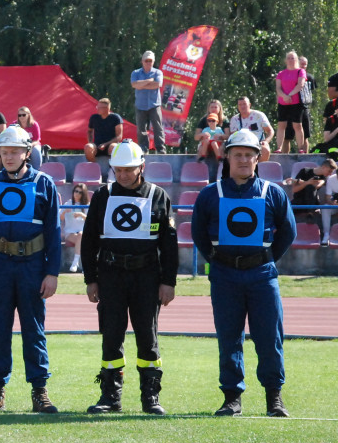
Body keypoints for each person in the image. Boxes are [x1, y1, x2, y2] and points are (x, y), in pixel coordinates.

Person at [191, 130, 296, 417]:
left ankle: (274, 397)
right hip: (224, 275)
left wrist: (267, 259)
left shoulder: (272, 192)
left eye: (249, 155)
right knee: (229, 337)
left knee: (269, 337)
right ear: (227, 157)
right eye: (237, 154)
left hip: (262, 275)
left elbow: (288, 232)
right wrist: (215, 258)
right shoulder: (210, 194)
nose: (243, 160)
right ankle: (231, 398)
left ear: (258, 158)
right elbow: (198, 232)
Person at [80, 141, 178, 414]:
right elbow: (88, 242)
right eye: (118, 170)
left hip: (147, 275)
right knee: (111, 334)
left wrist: (168, 282)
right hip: (110, 275)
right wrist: (91, 279)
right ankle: (110, 396)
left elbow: (169, 245)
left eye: (129, 169)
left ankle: (151, 397)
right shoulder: (102, 196)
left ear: (141, 167)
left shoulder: (159, 196)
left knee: (148, 336)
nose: (123, 175)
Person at [0, 126, 61, 414]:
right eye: (4, 152)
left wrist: (52, 272)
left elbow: (54, 232)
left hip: (33, 267)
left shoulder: (45, 184)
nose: (8, 157)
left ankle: (40, 391)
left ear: (27, 153)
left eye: (14, 152)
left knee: (34, 330)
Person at [290, 158, 336, 242]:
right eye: (329, 171)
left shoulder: (323, 178)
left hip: (312, 201)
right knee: (286, 209)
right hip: (300, 201)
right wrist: (307, 182)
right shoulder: (304, 171)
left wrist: (311, 184)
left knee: (310, 187)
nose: (329, 174)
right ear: (324, 167)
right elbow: (294, 190)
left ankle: (310, 213)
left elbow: (316, 186)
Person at [131, 51, 165, 154]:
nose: (148, 62)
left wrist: (141, 85)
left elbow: (157, 84)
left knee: (158, 128)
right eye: (146, 60)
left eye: (150, 60)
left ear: (153, 61)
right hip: (140, 105)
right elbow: (134, 85)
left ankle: (161, 150)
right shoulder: (136, 73)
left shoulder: (158, 72)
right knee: (141, 129)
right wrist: (149, 81)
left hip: (154, 105)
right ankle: (143, 149)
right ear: (142, 61)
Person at [275, 51, 307, 154]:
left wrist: (290, 95)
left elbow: (300, 84)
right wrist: (284, 96)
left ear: (296, 60)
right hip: (283, 102)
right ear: (285, 60)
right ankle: (278, 148)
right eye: (288, 58)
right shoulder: (281, 73)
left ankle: (300, 148)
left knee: (297, 125)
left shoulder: (300, 71)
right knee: (281, 125)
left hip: (296, 102)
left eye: (292, 58)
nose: (290, 60)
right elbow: (278, 88)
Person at [228, 96, 274, 164]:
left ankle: (258, 169)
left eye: (244, 104)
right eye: (240, 104)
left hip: (258, 143)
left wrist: (266, 141)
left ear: (249, 105)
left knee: (265, 149)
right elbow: (233, 136)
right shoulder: (234, 119)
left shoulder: (259, 115)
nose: (242, 106)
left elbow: (270, 131)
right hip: (241, 144)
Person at [61, 183, 89, 272]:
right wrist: (65, 211)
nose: (77, 194)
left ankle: (75, 262)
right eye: (76, 191)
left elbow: (91, 220)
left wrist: (82, 215)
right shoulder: (68, 203)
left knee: (81, 235)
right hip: (70, 232)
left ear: (83, 194)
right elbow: (60, 218)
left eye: (80, 192)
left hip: (82, 233)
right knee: (81, 238)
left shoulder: (87, 205)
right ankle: (83, 265)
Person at [298, 56, 315, 153]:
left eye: (305, 64)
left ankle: (305, 155)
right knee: (289, 135)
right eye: (302, 64)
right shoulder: (293, 76)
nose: (303, 66)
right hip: (293, 107)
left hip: (305, 108)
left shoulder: (310, 77)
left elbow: (311, 92)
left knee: (305, 135)